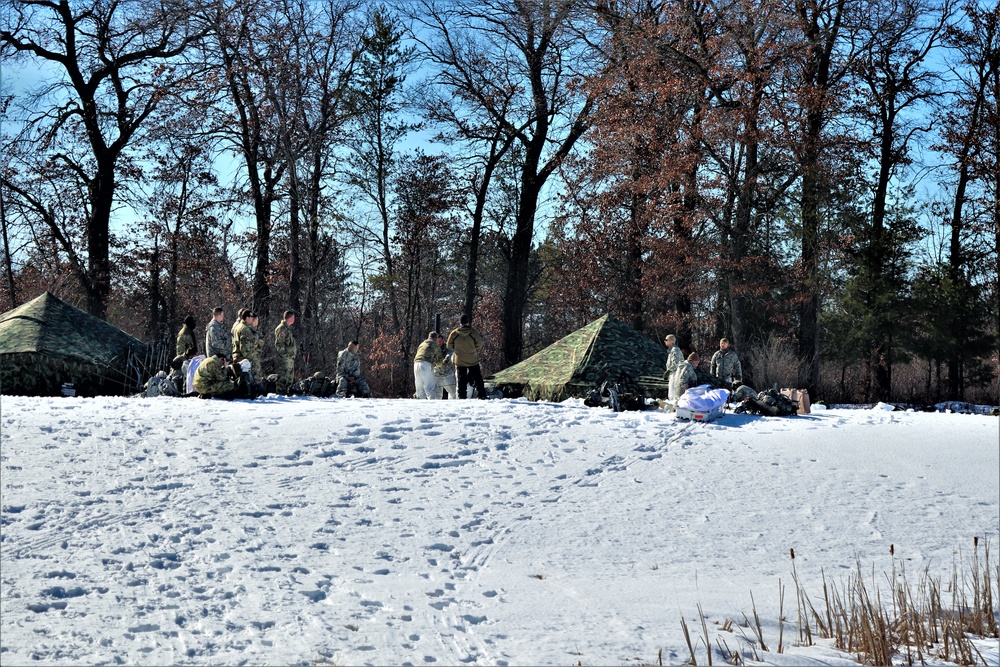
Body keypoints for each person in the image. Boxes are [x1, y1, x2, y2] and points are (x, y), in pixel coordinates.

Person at [447, 314, 486, 399]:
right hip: (472, 359)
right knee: (477, 378)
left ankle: (462, 397)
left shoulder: (454, 333)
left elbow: (449, 345)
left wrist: (457, 349)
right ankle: (482, 395)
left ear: (460, 322)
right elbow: (479, 344)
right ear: (468, 322)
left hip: (459, 359)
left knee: (461, 380)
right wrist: (472, 349)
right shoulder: (473, 332)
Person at [233, 311, 264, 384]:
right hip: (245, 358)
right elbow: (245, 349)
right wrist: (252, 357)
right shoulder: (245, 329)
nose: (252, 319)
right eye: (251, 317)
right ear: (247, 318)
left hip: (239, 356)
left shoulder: (239, 326)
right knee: (251, 380)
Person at [274, 310, 298, 395]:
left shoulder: (288, 328)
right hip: (285, 357)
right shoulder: (282, 328)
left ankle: (287, 391)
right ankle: (281, 392)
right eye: (293, 318)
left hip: (290, 357)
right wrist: (284, 355)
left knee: (289, 376)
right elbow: (279, 343)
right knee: (283, 375)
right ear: (289, 318)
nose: (294, 319)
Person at [413, 331, 443, 399]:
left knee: (419, 389)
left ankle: (420, 402)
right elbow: (439, 361)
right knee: (430, 388)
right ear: (436, 338)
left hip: (416, 364)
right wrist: (440, 364)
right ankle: (432, 403)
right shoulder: (435, 345)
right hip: (426, 364)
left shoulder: (422, 344)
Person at [434, 333, 457, 399]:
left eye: (440, 341)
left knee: (453, 391)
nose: (439, 343)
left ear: (443, 340)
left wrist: (446, 359)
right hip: (437, 373)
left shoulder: (447, 347)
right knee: (438, 394)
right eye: (437, 341)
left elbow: (449, 353)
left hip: (447, 373)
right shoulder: (433, 348)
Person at [663, 334, 685, 401]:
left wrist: (668, 371)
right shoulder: (671, 350)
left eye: (666, 340)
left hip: (675, 374)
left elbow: (676, 364)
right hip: (673, 374)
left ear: (671, 341)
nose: (665, 341)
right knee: (671, 393)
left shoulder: (675, 350)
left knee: (673, 394)